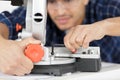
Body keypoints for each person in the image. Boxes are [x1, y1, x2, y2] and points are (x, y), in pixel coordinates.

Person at [0, 0, 120, 76]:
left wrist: (104, 26)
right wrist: (2, 46)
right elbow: (6, 21)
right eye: (51, 2)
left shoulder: (105, 7)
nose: (60, 11)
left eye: (68, 0)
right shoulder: (37, 12)